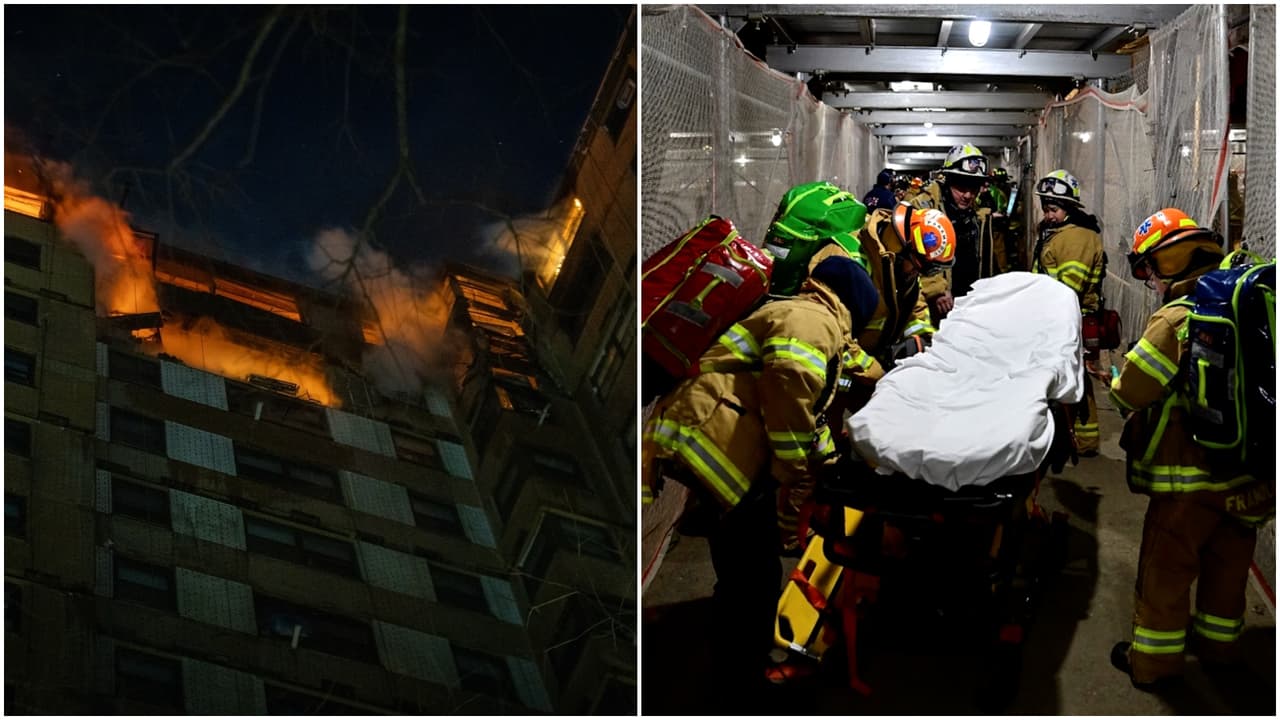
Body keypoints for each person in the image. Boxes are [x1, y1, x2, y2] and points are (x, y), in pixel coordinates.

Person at [641, 255, 879, 705]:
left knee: (744, 576)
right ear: (851, 308)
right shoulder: (814, 321)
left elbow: (804, 409)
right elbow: (791, 386)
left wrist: (829, 460)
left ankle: (733, 670)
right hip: (717, 446)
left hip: (712, 439)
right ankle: (738, 691)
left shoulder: (805, 314)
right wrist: (792, 469)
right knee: (753, 582)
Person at [1108, 208, 1275, 689]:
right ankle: (1221, 653)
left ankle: (1154, 667)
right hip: (1251, 475)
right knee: (1229, 568)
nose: (1149, 282)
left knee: (1166, 573)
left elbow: (1131, 390)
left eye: (1148, 270)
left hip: (1189, 483)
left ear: (1167, 262)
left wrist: (1115, 379)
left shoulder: (1178, 318)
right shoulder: (1248, 297)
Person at [805, 203, 956, 415]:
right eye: (919, 266)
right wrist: (880, 373)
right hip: (830, 380)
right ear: (900, 246)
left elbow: (914, 305)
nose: (919, 274)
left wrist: (922, 340)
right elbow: (831, 339)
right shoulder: (843, 262)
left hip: (865, 375)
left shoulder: (902, 267)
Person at [1030, 170, 1105, 455]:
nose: (1048, 215)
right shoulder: (1062, 233)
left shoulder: (1076, 238)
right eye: (1046, 209)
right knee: (1072, 378)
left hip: (1072, 321)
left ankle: (1081, 441)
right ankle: (1077, 438)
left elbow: (1069, 290)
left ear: (1069, 208)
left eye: (1054, 209)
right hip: (1063, 319)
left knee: (1076, 379)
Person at [909, 144, 1007, 323]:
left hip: (970, 306)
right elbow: (911, 257)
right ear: (948, 180)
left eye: (974, 188)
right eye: (962, 187)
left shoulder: (977, 216)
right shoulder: (924, 209)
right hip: (933, 307)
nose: (968, 195)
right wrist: (936, 289)